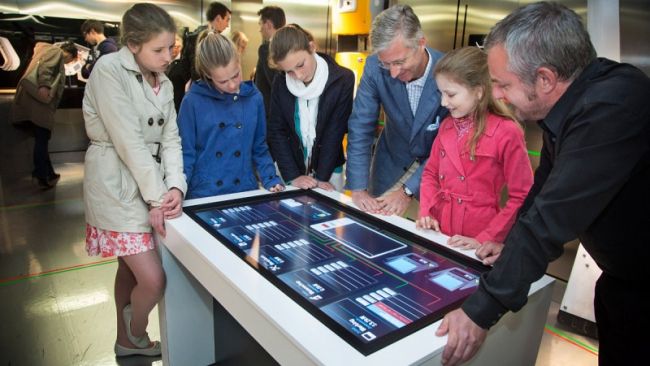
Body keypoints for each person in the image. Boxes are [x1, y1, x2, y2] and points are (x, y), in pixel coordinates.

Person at [436, 3, 650, 366]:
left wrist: (480, 311)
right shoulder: (573, 105)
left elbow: (551, 219)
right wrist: (507, 242)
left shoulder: (611, 106)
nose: (498, 95)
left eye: (503, 84)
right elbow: (542, 190)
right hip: (620, 282)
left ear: (546, 79)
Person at [82, 3, 186, 357]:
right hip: (117, 187)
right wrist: (159, 196)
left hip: (149, 184)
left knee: (129, 271)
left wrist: (175, 187)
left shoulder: (166, 82)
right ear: (133, 44)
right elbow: (128, 142)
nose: (167, 57)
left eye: (170, 48)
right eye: (158, 50)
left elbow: (171, 139)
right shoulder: (109, 70)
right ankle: (136, 331)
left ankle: (125, 344)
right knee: (154, 280)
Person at [416, 47, 533, 250]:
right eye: (441, 93)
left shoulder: (507, 132)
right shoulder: (446, 126)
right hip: (440, 229)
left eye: (450, 94)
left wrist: (486, 238)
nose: (444, 103)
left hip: (480, 235)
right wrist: (426, 211)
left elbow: (522, 195)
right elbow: (430, 174)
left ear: (479, 92)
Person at [346, 4, 446, 217]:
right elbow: (361, 127)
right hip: (389, 166)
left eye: (400, 62)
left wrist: (408, 189)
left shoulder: (448, 71)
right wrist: (358, 189)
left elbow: (447, 146)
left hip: (437, 173)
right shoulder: (374, 67)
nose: (393, 73)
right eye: (386, 64)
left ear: (421, 43)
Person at [178, 31, 283, 199]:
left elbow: (259, 147)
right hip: (204, 193)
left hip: (244, 188)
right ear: (207, 75)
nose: (233, 85)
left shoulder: (254, 98)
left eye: (236, 75)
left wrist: (270, 179)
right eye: (223, 81)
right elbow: (186, 153)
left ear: (239, 61)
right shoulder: (192, 102)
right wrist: (178, 190)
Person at [267, 25, 354, 192]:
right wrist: (293, 175)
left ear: (312, 48)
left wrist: (321, 178)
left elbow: (334, 131)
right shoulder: (280, 81)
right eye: (289, 71)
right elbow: (276, 130)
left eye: (300, 65)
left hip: (328, 170)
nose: (298, 76)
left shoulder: (343, 79)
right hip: (289, 167)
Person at [11, 41, 77, 189]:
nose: (67, 63)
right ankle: (40, 173)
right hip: (39, 104)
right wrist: (44, 86)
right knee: (42, 138)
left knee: (42, 138)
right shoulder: (56, 52)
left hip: (30, 102)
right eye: (69, 60)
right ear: (69, 53)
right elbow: (45, 69)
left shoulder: (42, 50)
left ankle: (49, 173)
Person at [255, 5, 286, 117]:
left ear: (268, 24)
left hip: (268, 112)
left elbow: (274, 83)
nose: (260, 29)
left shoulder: (266, 49)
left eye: (260, 24)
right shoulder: (288, 47)